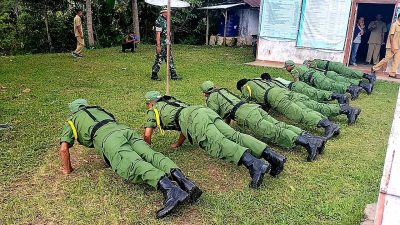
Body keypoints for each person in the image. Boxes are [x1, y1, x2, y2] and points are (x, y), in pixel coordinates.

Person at [59, 99, 202, 219]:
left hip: (108, 139)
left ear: (73, 110)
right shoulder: (100, 109)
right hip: (124, 130)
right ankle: (186, 183)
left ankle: (170, 190)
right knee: (151, 154)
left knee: (132, 163)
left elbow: (64, 148)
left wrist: (67, 169)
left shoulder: (72, 120)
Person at [143, 91, 286, 188]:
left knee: (218, 143)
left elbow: (147, 134)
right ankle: (274, 158)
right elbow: (182, 126)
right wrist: (178, 143)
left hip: (195, 120)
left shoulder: (153, 110)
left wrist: (146, 150)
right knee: (234, 135)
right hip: (202, 111)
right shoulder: (171, 101)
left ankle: (255, 165)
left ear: (150, 103)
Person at [200, 81, 326, 161]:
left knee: (273, 131)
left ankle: (308, 145)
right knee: (278, 124)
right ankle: (314, 139)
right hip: (253, 108)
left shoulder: (211, 98)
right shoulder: (223, 90)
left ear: (205, 93)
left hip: (246, 115)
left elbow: (214, 115)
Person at [236, 78, 340, 139]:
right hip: (282, 91)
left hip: (275, 97)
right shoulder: (257, 79)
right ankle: (327, 122)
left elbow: (244, 103)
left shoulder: (245, 87)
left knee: (298, 114)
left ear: (241, 87)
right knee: (304, 109)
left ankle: (328, 125)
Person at [285, 60, 365, 99]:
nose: (286, 69)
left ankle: (351, 89)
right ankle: (352, 88)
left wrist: (295, 88)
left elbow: (297, 82)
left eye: (286, 67)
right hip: (318, 75)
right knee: (332, 83)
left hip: (315, 79)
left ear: (289, 66)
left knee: (330, 86)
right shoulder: (300, 66)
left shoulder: (294, 70)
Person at [265, 75, 349, 104]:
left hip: (295, 87)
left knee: (316, 94)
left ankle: (339, 97)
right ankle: (339, 96)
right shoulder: (278, 78)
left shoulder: (273, 83)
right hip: (298, 84)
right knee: (317, 92)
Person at [304, 60, 374, 94]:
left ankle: (366, 82)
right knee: (346, 79)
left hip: (330, 73)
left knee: (348, 77)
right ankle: (365, 84)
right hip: (330, 72)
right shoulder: (315, 63)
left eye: (308, 65)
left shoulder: (314, 64)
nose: (308, 66)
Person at [151, 8, 181, 81]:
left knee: (170, 58)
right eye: (168, 12)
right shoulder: (159, 20)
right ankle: (154, 75)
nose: (169, 14)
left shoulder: (165, 20)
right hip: (161, 44)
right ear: (164, 12)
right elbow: (157, 34)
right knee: (159, 59)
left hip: (167, 43)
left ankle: (173, 74)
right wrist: (158, 46)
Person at [372, 14, 400, 79]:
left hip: (398, 47)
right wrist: (392, 46)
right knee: (386, 59)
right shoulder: (394, 25)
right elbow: (391, 36)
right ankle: (374, 68)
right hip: (392, 46)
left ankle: (392, 73)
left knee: (397, 60)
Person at [307, 58, 376, 83]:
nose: (308, 67)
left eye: (308, 65)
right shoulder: (316, 61)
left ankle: (368, 77)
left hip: (337, 67)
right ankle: (366, 78)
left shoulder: (315, 63)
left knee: (351, 73)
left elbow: (316, 69)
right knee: (350, 74)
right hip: (336, 67)